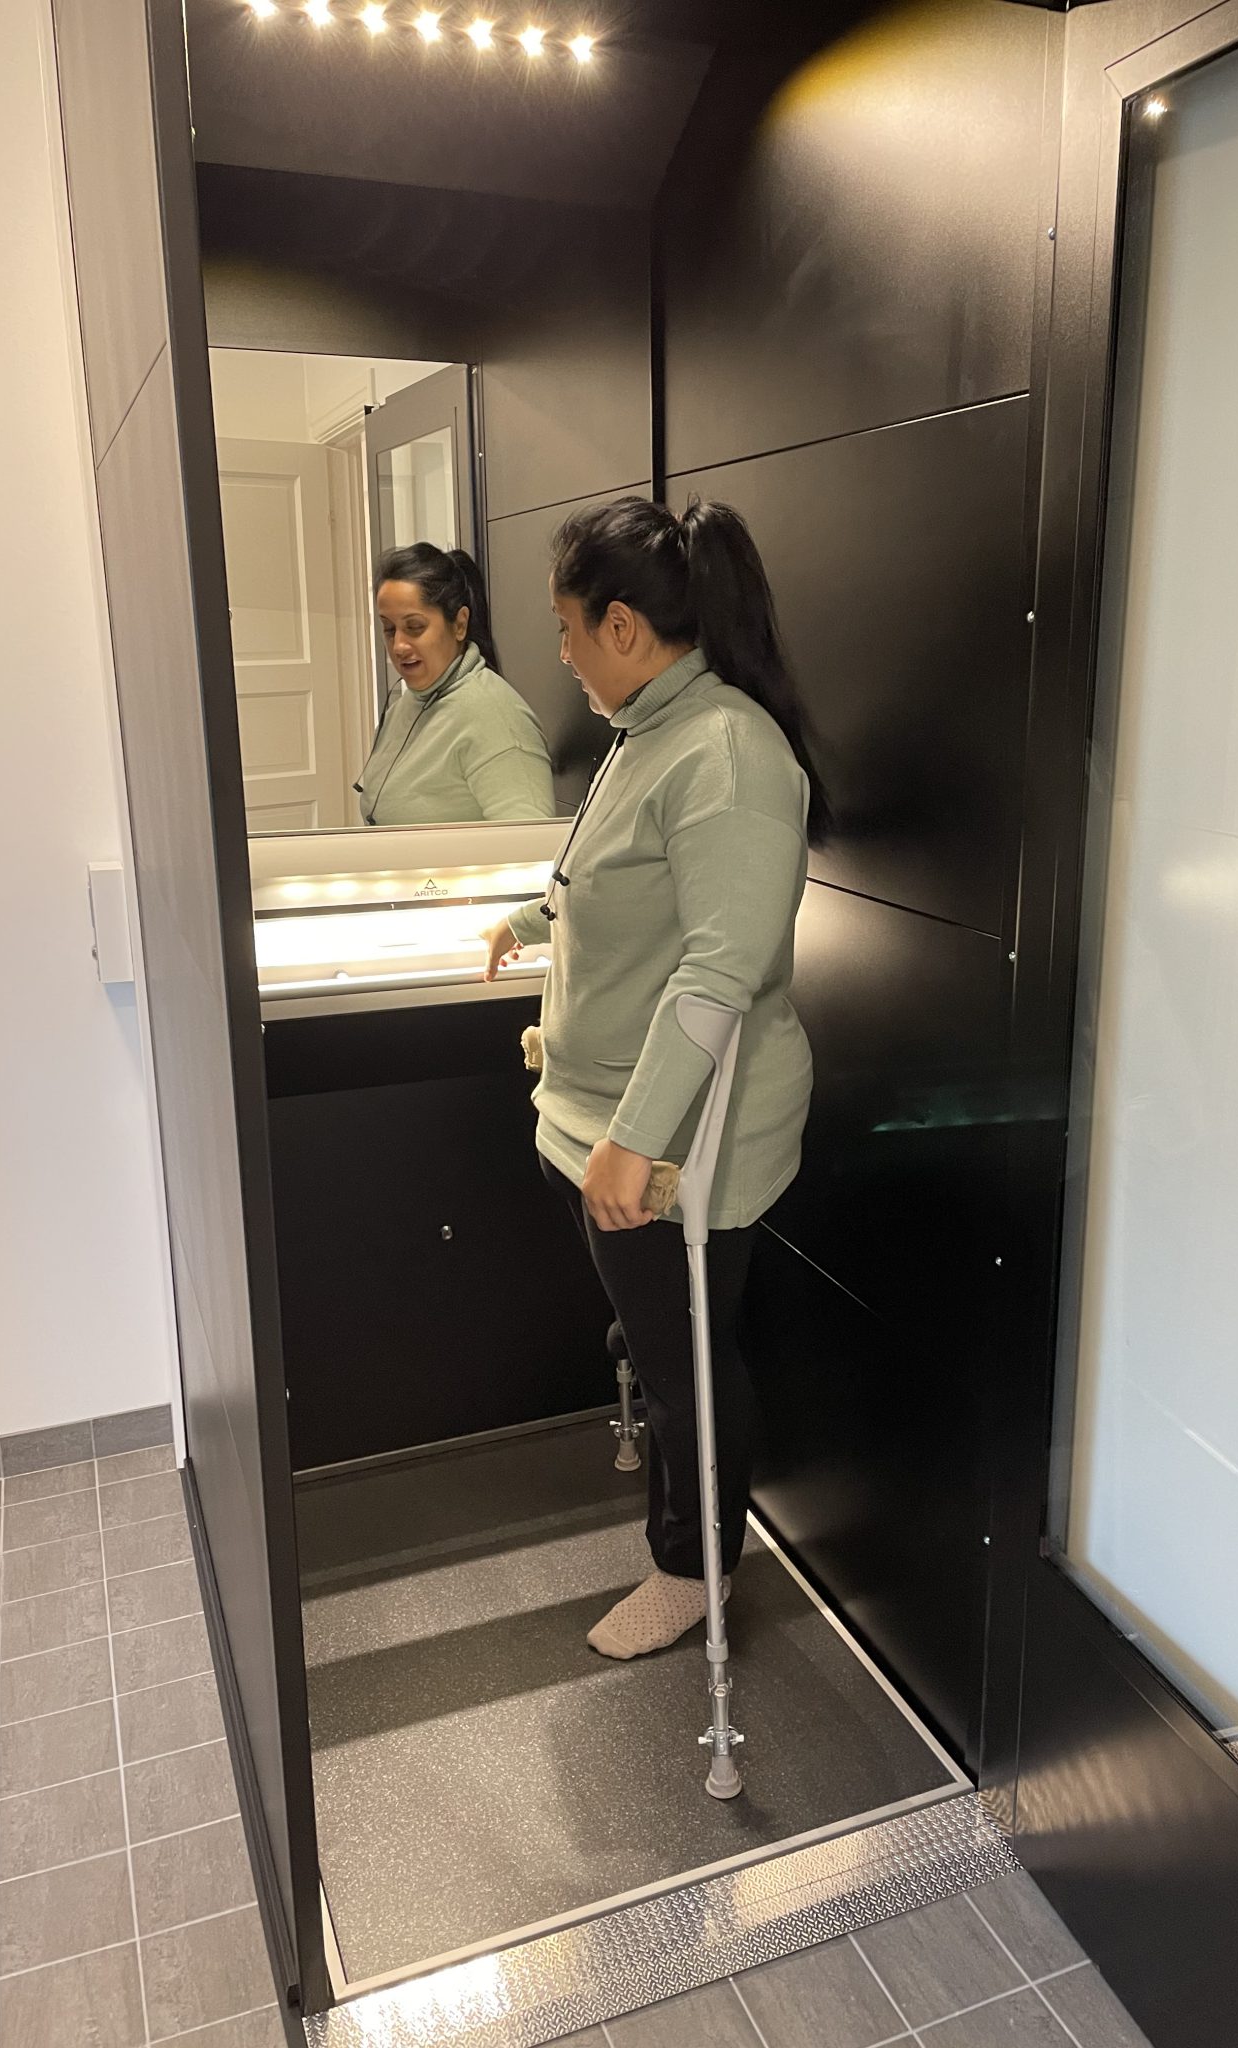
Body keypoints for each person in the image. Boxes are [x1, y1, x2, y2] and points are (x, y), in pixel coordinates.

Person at [483, 496, 830, 1659]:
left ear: (624, 624)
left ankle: (695, 1567)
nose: (563, 651)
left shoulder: (726, 751)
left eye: (569, 628)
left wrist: (636, 1138)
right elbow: (621, 875)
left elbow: (720, 967)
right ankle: (691, 1536)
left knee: (688, 1359)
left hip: (673, 1134)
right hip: (605, 1119)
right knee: (661, 1335)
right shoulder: (651, 731)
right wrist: (538, 916)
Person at [356, 543, 555, 824]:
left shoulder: (496, 720)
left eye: (414, 627)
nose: (398, 645)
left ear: (460, 624)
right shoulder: (405, 705)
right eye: (389, 629)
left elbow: (528, 850)